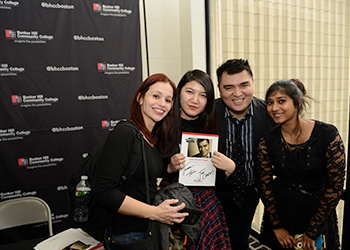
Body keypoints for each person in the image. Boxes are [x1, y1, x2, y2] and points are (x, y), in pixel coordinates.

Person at [93, 74, 189, 249]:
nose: (162, 104)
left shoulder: (148, 137)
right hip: (128, 235)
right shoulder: (126, 133)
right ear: (140, 98)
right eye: (156, 96)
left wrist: (169, 167)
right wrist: (155, 213)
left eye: (168, 100)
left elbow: (141, 172)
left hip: (146, 228)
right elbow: (103, 191)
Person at [256, 79, 345, 250]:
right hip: (282, 215)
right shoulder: (267, 140)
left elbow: (336, 185)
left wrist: (312, 230)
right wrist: (276, 226)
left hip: (317, 215)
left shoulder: (327, 134)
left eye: (281, 101)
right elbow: (264, 185)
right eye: (270, 102)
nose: (274, 108)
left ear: (298, 102)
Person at [164, 69, 235, 250]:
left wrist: (230, 169)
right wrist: (169, 168)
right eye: (189, 92)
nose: (195, 100)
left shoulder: (213, 129)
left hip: (206, 204)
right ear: (179, 92)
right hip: (172, 204)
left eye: (203, 95)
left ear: (209, 100)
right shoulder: (162, 125)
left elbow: (217, 180)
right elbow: (149, 170)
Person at [215, 59, 274, 250]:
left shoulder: (269, 114)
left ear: (253, 84)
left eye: (244, 85)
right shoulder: (208, 113)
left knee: (240, 240)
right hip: (214, 192)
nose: (237, 93)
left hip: (248, 192)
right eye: (229, 87)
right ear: (219, 88)